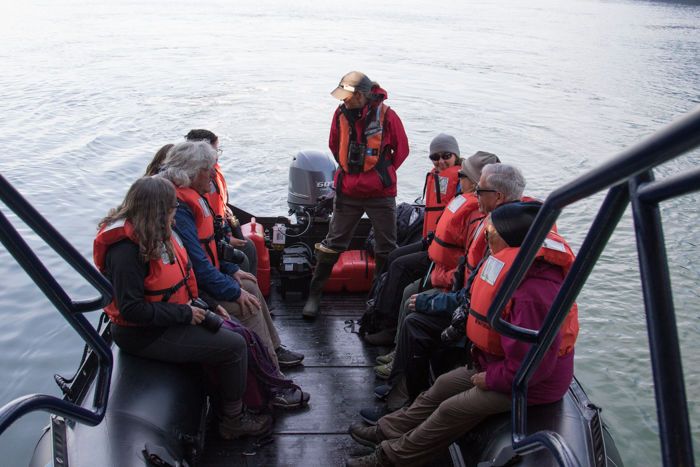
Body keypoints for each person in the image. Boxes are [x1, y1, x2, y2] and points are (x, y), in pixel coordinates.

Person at [346, 201, 579, 466]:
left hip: (528, 384)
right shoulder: (513, 269)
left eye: (491, 232)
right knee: (441, 387)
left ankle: (391, 457)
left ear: (511, 239)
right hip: (499, 365)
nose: (486, 236)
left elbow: (534, 367)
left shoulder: (534, 293)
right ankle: (387, 430)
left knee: (452, 409)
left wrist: (489, 379)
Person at [93, 176, 271, 439]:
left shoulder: (159, 234)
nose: (175, 216)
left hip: (172, 314)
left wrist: (210, 305)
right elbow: (132, 310)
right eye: (171, 209)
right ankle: (233, 419)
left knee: (233, 329)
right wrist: (186, 314)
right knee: (234, 346)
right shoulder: (125, 253)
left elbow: (184, 279)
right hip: (144, 333)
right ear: (157, 211)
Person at [158, 141, 308, 407]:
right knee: (247, 304)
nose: (213, 173)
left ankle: (272, 349)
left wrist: (231, 270)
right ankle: (272, 382)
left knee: (249, 285)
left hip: (200, 284)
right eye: (208, 169)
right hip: (192, 295)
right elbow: (197, 263)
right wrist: (231, 291)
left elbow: (210, 247)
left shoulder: (193, 196)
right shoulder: (179, 209)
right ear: (192, 173)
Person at [363, 150, 500, 347]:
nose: (457, 177)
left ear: (475, 183)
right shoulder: (465, 200)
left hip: (447, 271)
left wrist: (442, 276)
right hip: (437, 255)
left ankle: (390, 333)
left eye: (462, 175)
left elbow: (467, 260)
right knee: (395, 257)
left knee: (404, 277)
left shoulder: (477, 215)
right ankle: (379, 316)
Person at [302, 71, 409, 319]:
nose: (343, 101)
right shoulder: (340, 114)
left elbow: (401, 150)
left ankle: (377, 298)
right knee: (333, 242)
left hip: (380, 194)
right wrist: (351, 170)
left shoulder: (388, 116)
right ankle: (314, 294)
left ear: (360, 95)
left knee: (386, 247)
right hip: (348, 191)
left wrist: (381, 173)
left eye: (347, 97)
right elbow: (333, 144)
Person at [185, 128, 258, 276]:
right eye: (214, 151)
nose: (217, 155)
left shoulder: (213, 173)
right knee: (243, 257)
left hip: (221, 230)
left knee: (249, 246)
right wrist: (228, 240)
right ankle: (244, 286)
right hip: (212, 242)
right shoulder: (196, 184)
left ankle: (253, 284)